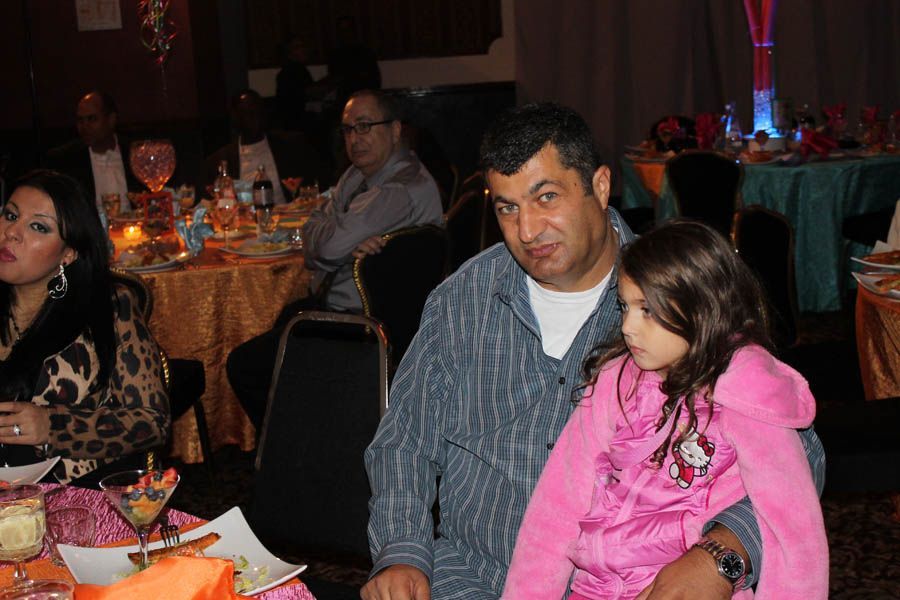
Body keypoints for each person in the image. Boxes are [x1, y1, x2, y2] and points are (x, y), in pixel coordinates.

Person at [363, 103, 825, 599]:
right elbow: (402, 443)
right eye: (507, 207)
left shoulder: (676, 297)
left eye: (546, 197)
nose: (527, 230)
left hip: (636, 584)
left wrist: (723, 553)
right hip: (473, 576)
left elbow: (799, 456)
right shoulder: (461, 303)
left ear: (600, 186)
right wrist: (402, 551)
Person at [502, 220, 828, 599]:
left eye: (648, 311)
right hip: (597, 587)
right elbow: (556, 505)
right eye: (625, 306)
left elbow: (791, 529)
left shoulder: (745, 394)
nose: (628, 327)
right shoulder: (616, 381)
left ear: (703, 308)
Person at [226, 89, 443, 431]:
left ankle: (292, 446)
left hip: (366, 327)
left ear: (396, 130)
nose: (355, 139)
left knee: (243, 365)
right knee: (283, 324)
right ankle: (309, 440)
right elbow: (315, 230)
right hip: (339, 308)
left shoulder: (397, 190)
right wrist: (328, 232)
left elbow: (322, 249)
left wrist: (326, 232)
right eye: (348, 129)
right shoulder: (358, 176)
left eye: (365, 126)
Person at [0, 170, 169, 486]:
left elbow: (151, 422)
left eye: (38, 226)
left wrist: (54, 426)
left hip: (70, 496)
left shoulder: (109, 307)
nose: (11, 232)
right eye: (10, 215)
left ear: (69, 253)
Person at [205, 89, 330, 203]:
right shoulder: (221, 160)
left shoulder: (291, 146)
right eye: (247, 112)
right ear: (236, 119)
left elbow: (317, 184)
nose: (254, 117)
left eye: (257, 111)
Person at [45, 91, 139, 215]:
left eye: (92, 119)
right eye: (80, 120)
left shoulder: (135, 153)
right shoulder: (65, 159)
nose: (85, 126)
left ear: (111, 120)